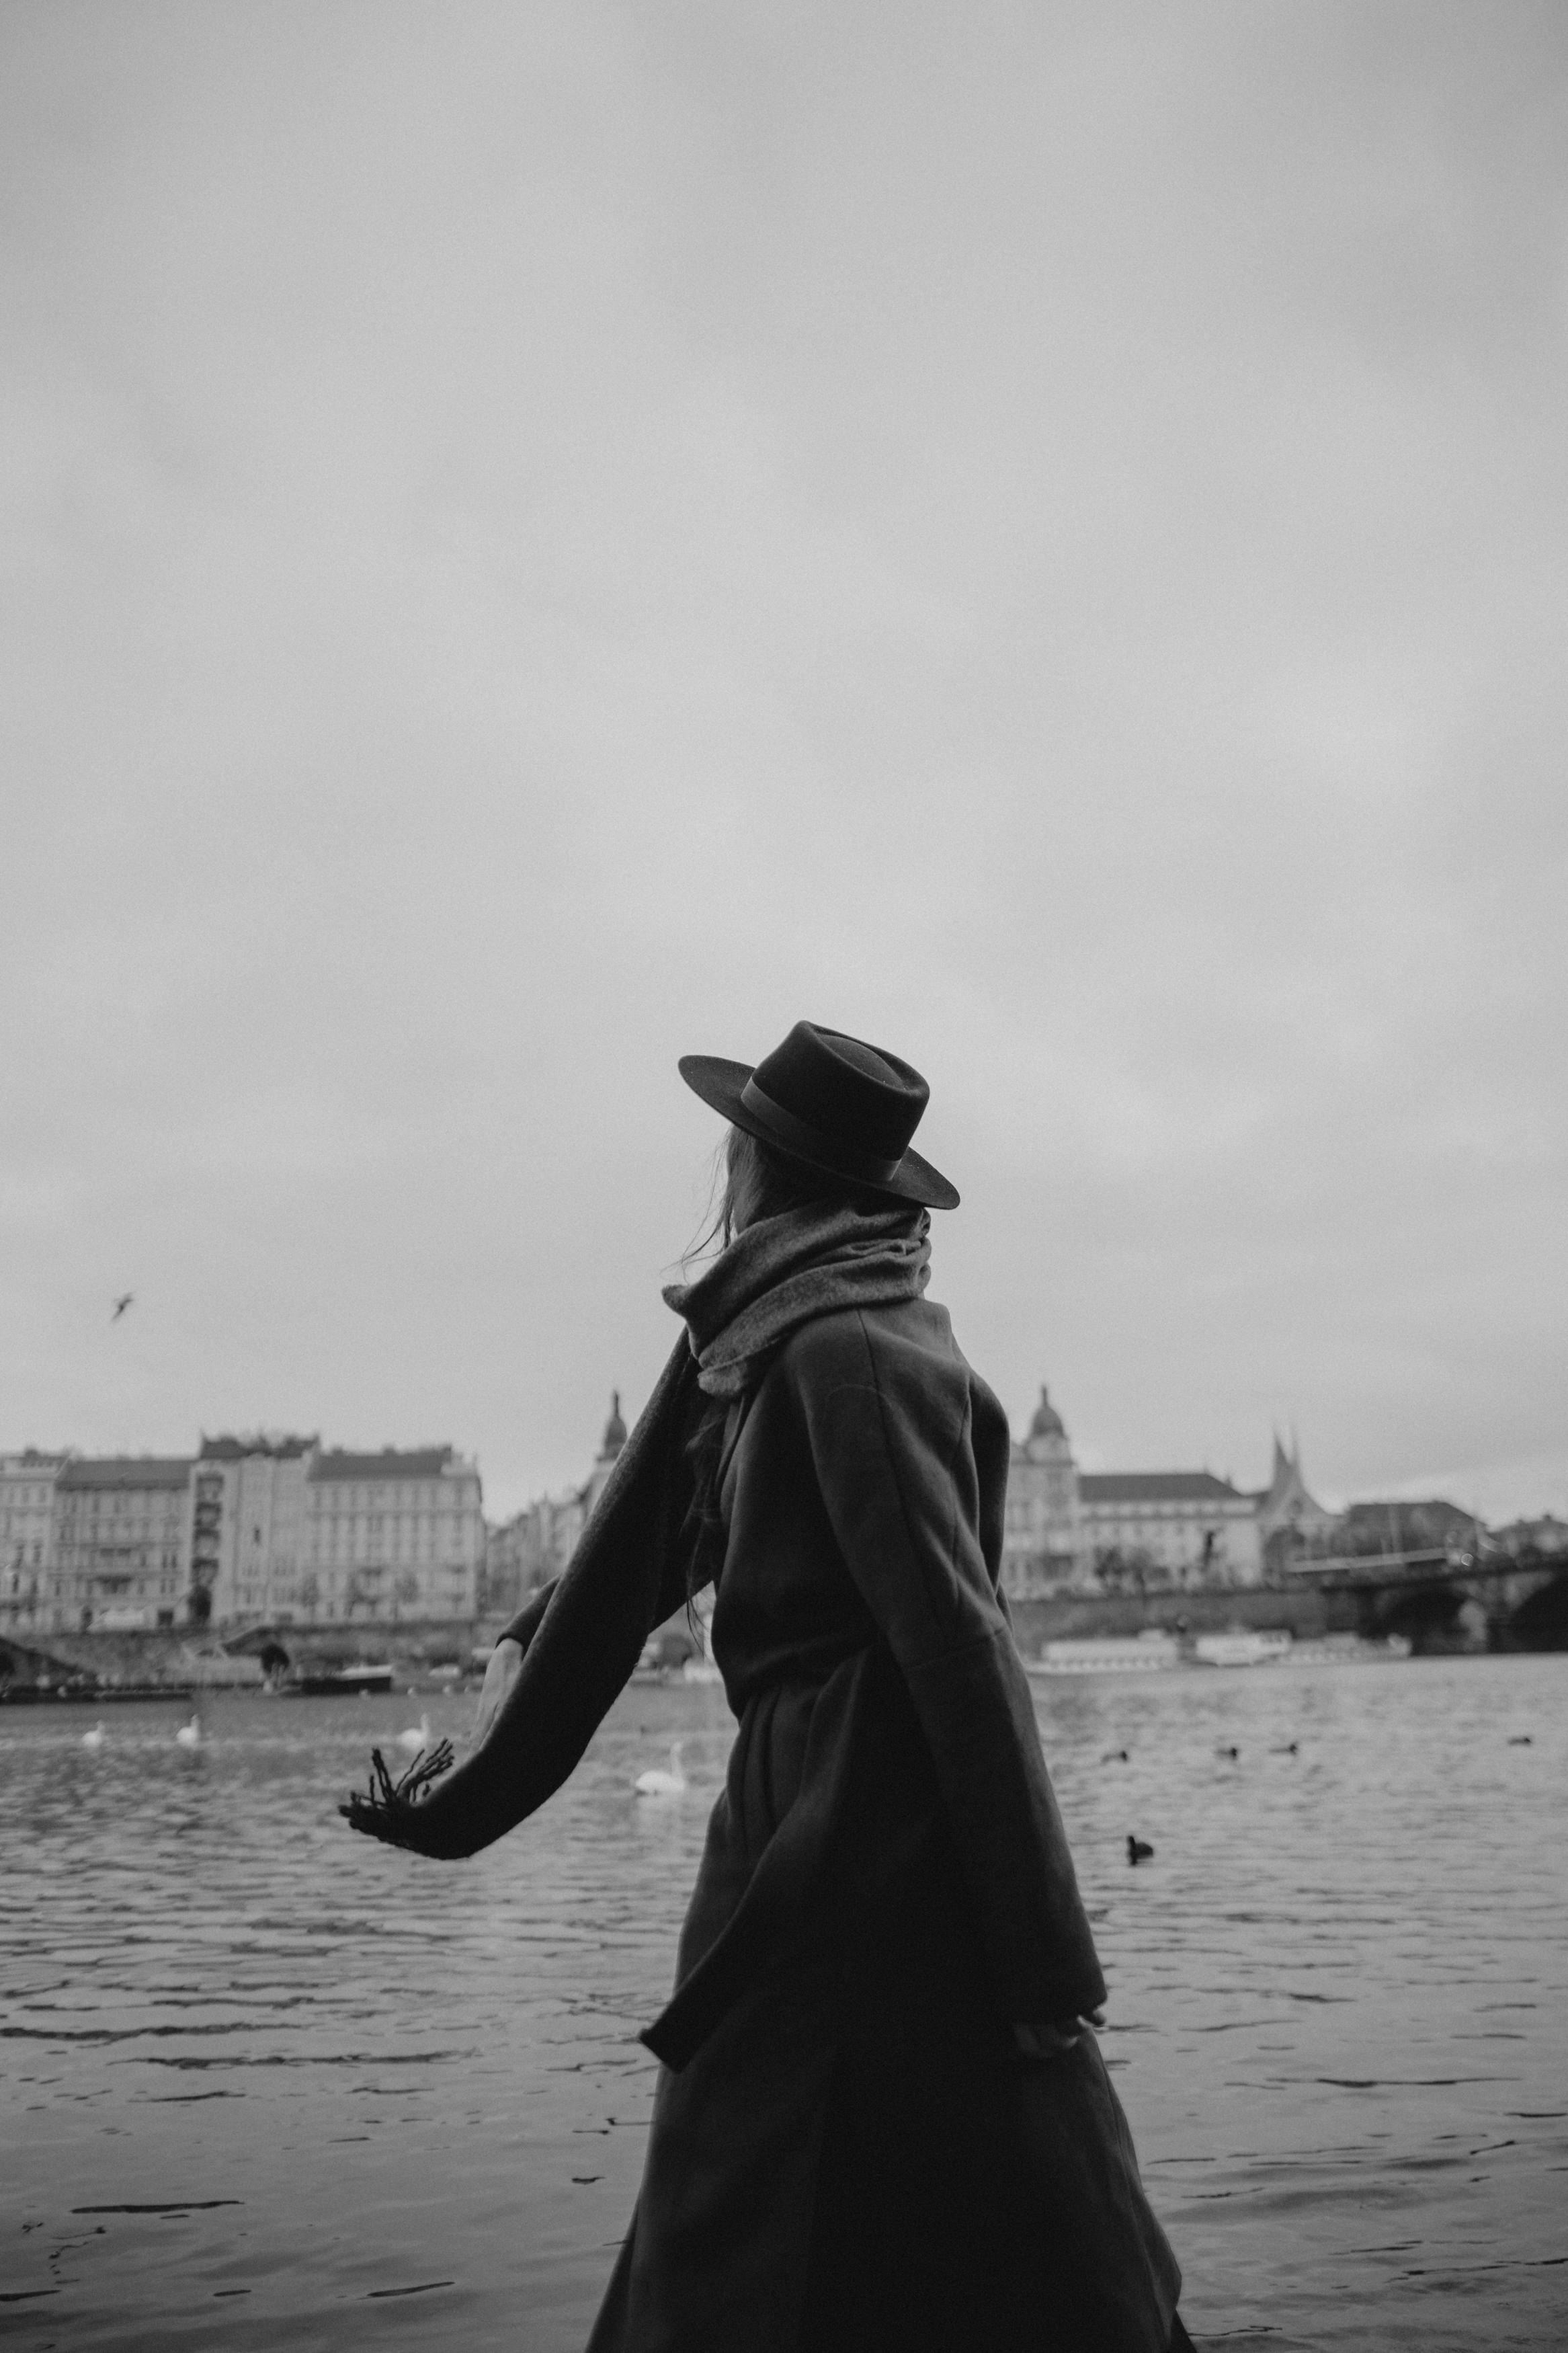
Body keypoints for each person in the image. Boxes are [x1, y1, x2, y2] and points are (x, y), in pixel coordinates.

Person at [343, 1020, 1190, 2352]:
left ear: (757, 1169)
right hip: (811, 1804)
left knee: (770, 2172)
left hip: (868, 1817)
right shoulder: (774, 1335)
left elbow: (961, 1657)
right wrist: (495, 1707)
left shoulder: (843, 1354)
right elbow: (631, 1565)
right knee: (937, 2170)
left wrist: (1043, 1958)